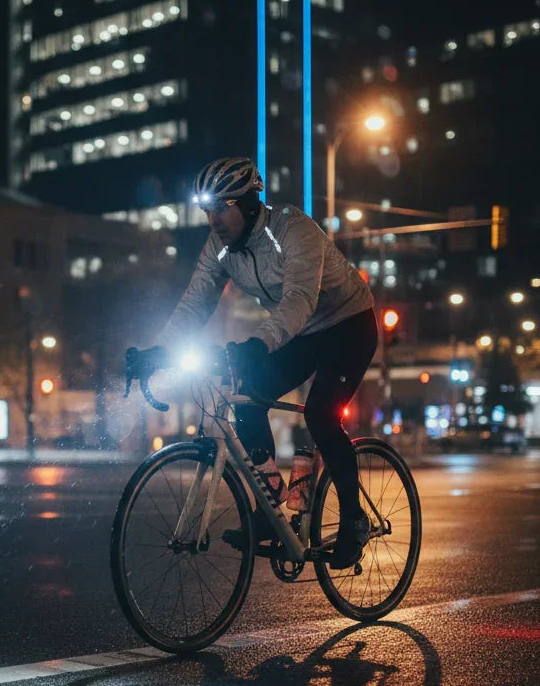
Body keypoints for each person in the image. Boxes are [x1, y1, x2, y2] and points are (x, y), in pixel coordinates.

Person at [142, 157, 379, 569]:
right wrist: (157, 352)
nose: (213, 220)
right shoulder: (220, 247)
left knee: (321, 415)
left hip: (348, 323)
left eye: (221, 208)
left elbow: (299, 298)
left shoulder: (293, 229)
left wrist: (258, 343)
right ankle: (269, 508)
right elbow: (195, 302)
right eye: (207, 211)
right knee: (248, 398)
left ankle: (353, 520)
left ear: (249, 204)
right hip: (300, 333)